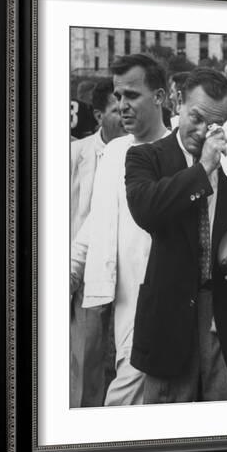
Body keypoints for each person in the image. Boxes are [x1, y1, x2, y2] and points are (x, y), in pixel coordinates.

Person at [125, 68, 227, 403]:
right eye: (195, 118)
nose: (202, 132)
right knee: (169, 440)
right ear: (177, 103)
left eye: (214, 123)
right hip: (171, 320)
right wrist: (203, 169)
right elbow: (146, 210)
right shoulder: (146, 156)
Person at [80, 54, 171, 406]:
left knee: (122, 401)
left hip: (160, 303)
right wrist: (72, 272)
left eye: (132, 95)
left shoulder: (180, 151)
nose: (122, 106)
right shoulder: (115, 152)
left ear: (160, 97)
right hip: (120, 300)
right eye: (118, 97)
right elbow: (95, 224)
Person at [69, 78, 126, 407]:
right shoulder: (77, 153)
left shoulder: (139, 152)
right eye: (117, 110)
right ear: (100, 115)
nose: (125, 114)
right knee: (86, 356)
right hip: (84, 270)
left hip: (125, 271)